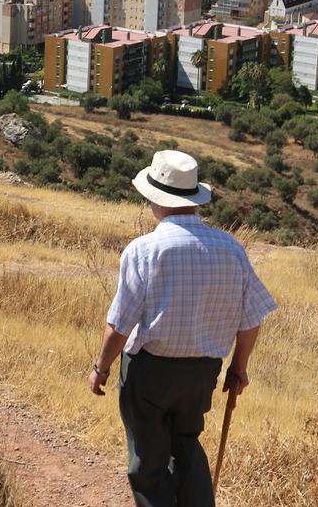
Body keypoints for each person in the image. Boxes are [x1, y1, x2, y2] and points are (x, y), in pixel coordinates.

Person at [88, 150, 277, 507]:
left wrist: (101, 367)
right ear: (192, 199)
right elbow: (252, 318)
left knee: (148, 461)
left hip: (149, 371)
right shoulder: (231, 249)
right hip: (203, 372)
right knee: (187, 446)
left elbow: (120, 324)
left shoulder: (144, 250)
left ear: (154, 199)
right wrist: (239, 367)